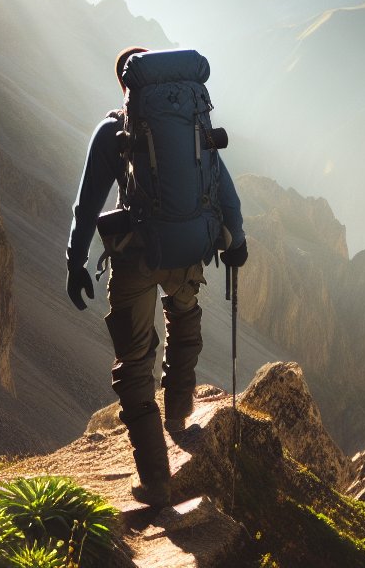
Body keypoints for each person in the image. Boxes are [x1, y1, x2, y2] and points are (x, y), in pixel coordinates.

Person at [65, 46, 248, 507]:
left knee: (133, 362)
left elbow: (88, 204)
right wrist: (237, 240)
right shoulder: (193, 120)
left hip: (137, 255)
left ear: (127, 87)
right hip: (187, 248)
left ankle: (155, 477)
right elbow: (223, 185)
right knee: (184, 319)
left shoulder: (114, 130)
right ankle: (179, 413)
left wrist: (75, 262)